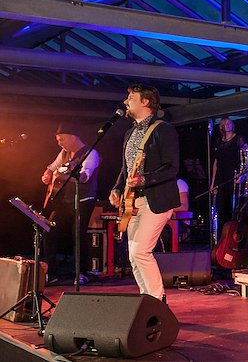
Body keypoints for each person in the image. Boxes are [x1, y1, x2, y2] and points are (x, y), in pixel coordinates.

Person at [109, 84, 180, 301]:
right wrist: (117, 189)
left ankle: (157, 300)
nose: (126, 101)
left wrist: (145, 179)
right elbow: (126, 169)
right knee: (133, 255)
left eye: (131, 97)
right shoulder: (129, 133)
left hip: (156, 200)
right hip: (133, 202)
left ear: (145, 102)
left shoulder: (163, 129)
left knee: (141, 251)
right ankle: (146, 299)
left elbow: (172, 167)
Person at [41, 123, 100, 285]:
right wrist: (47, 175)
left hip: (83, 200)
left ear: (73, 137)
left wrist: (69, 175)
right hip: (65, 201)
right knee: (48, 230)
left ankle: (82, 273)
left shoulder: (90, 153)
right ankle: (51, 273)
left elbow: (85, 177)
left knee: (78, 234)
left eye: (62, 139)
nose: (59, 143)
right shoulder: (64, 153)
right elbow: (52, 167)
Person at [210, 117, 248, 235]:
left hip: (234, 176)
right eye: (223, 123)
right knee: (221, 208)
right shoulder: (218, 141)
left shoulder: (238, 139)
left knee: (233, 207)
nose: (226, 124)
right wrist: (213, 183)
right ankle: (222, 237)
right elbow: (216, 162)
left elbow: (247, 158)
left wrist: (243, 174)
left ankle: (234, 235)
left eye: (228, 122)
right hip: (221, 178)